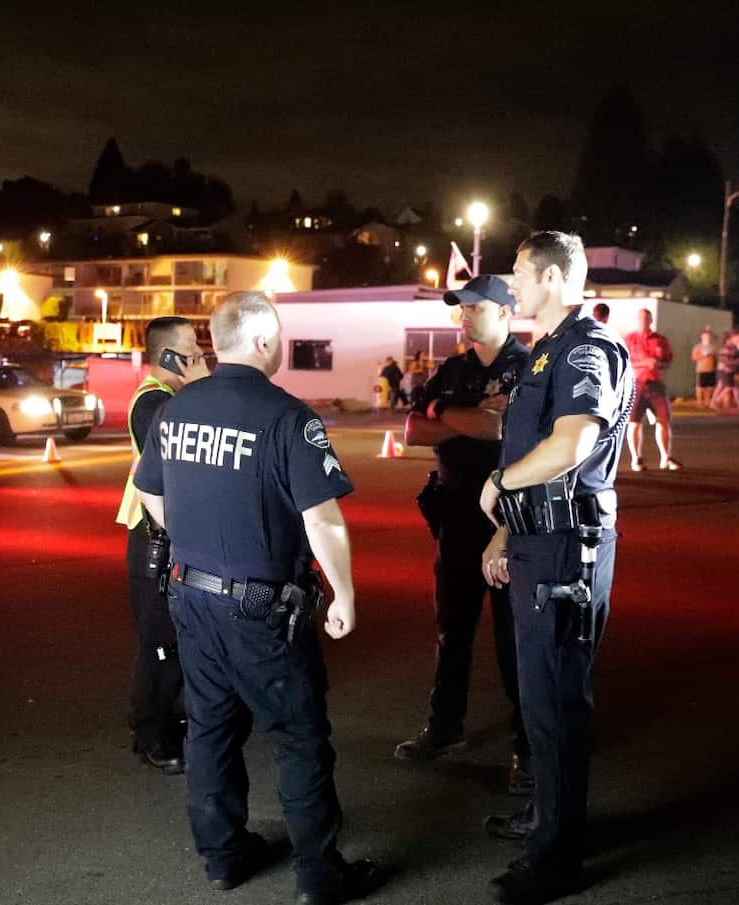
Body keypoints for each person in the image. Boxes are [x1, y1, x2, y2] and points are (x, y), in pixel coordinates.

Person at [133, 291, 379, 905]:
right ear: (266, 341)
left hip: (191, 597)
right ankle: (320, 877)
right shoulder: (289, 417)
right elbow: (322, 520)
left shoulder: (175, 409)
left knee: (210, 728)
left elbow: (153, 498)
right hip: (261, 609)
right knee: (297, 735)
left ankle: (223, 857)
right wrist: (342, 593)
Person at [478, 232, 633, 904]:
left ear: (551, 276)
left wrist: (499, 485)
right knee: (540, 701)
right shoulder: (548, 351)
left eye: (518, 273)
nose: (510, 285)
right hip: (538, 541)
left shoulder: (586, 347)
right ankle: (551, 817)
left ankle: (556, 858)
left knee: (556, 702)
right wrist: (503, 538)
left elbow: (574, 442)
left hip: (568, 548)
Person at [394, 274, 533, 797]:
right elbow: (412, 431)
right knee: (451, 628)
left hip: (509, 519)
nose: (464, 315)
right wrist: (466, 417)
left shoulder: (526, 368)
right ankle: (445, 726)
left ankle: (528, 743)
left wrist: (443, 416)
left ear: (503, 312)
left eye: (475, 307)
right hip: (455, 517)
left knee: (513, 638)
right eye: (461, 307)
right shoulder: (453, 370)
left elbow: (503, 431)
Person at [115, 316, 210, 773]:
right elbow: (179, 459)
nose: (201, 354)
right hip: (154, 537)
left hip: (174, 533)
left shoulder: (172, 398)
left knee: (178, 637)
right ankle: (152, 733)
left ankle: (178, 719)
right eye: (193, 346)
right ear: (171, 356)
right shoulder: (153, 402)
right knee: (160, 641)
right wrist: (206, 387)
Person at [623, 308, 679, 471]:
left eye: (647, 318)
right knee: (634, 423)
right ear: (636, 320)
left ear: (651, 320)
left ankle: (665, 458)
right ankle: (636, 459)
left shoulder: (660, 340)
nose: (644, 320)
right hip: (637, 385)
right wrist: (644, 363)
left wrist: (658, 364)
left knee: (663, 421)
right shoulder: (629, 339)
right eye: (641, 318)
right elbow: (624, 362)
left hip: (656, 385)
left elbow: (668, 361)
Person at [710, 330, 739, 409]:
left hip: (732, 369)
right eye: (738, 338)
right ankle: (716, 401)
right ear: (733, 338)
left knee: (729, 386)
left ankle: (715, 402)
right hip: (725, 369)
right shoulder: (729, 346)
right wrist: (733, 362)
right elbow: (725, 358)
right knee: (728, 386)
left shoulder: (738, 346)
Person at [691, 328, 717, 408]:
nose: (707, 338)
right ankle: (699, 402)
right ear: (702, 337)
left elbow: (716, 357)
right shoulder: (698, 347)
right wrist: (704, 356)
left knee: (709, 387)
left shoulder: (713, 347)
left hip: (711, 369)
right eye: (705, 336)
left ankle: (707, 401)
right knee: (700, 387)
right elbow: (694, 357)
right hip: (701, 369)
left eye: (709, 336)